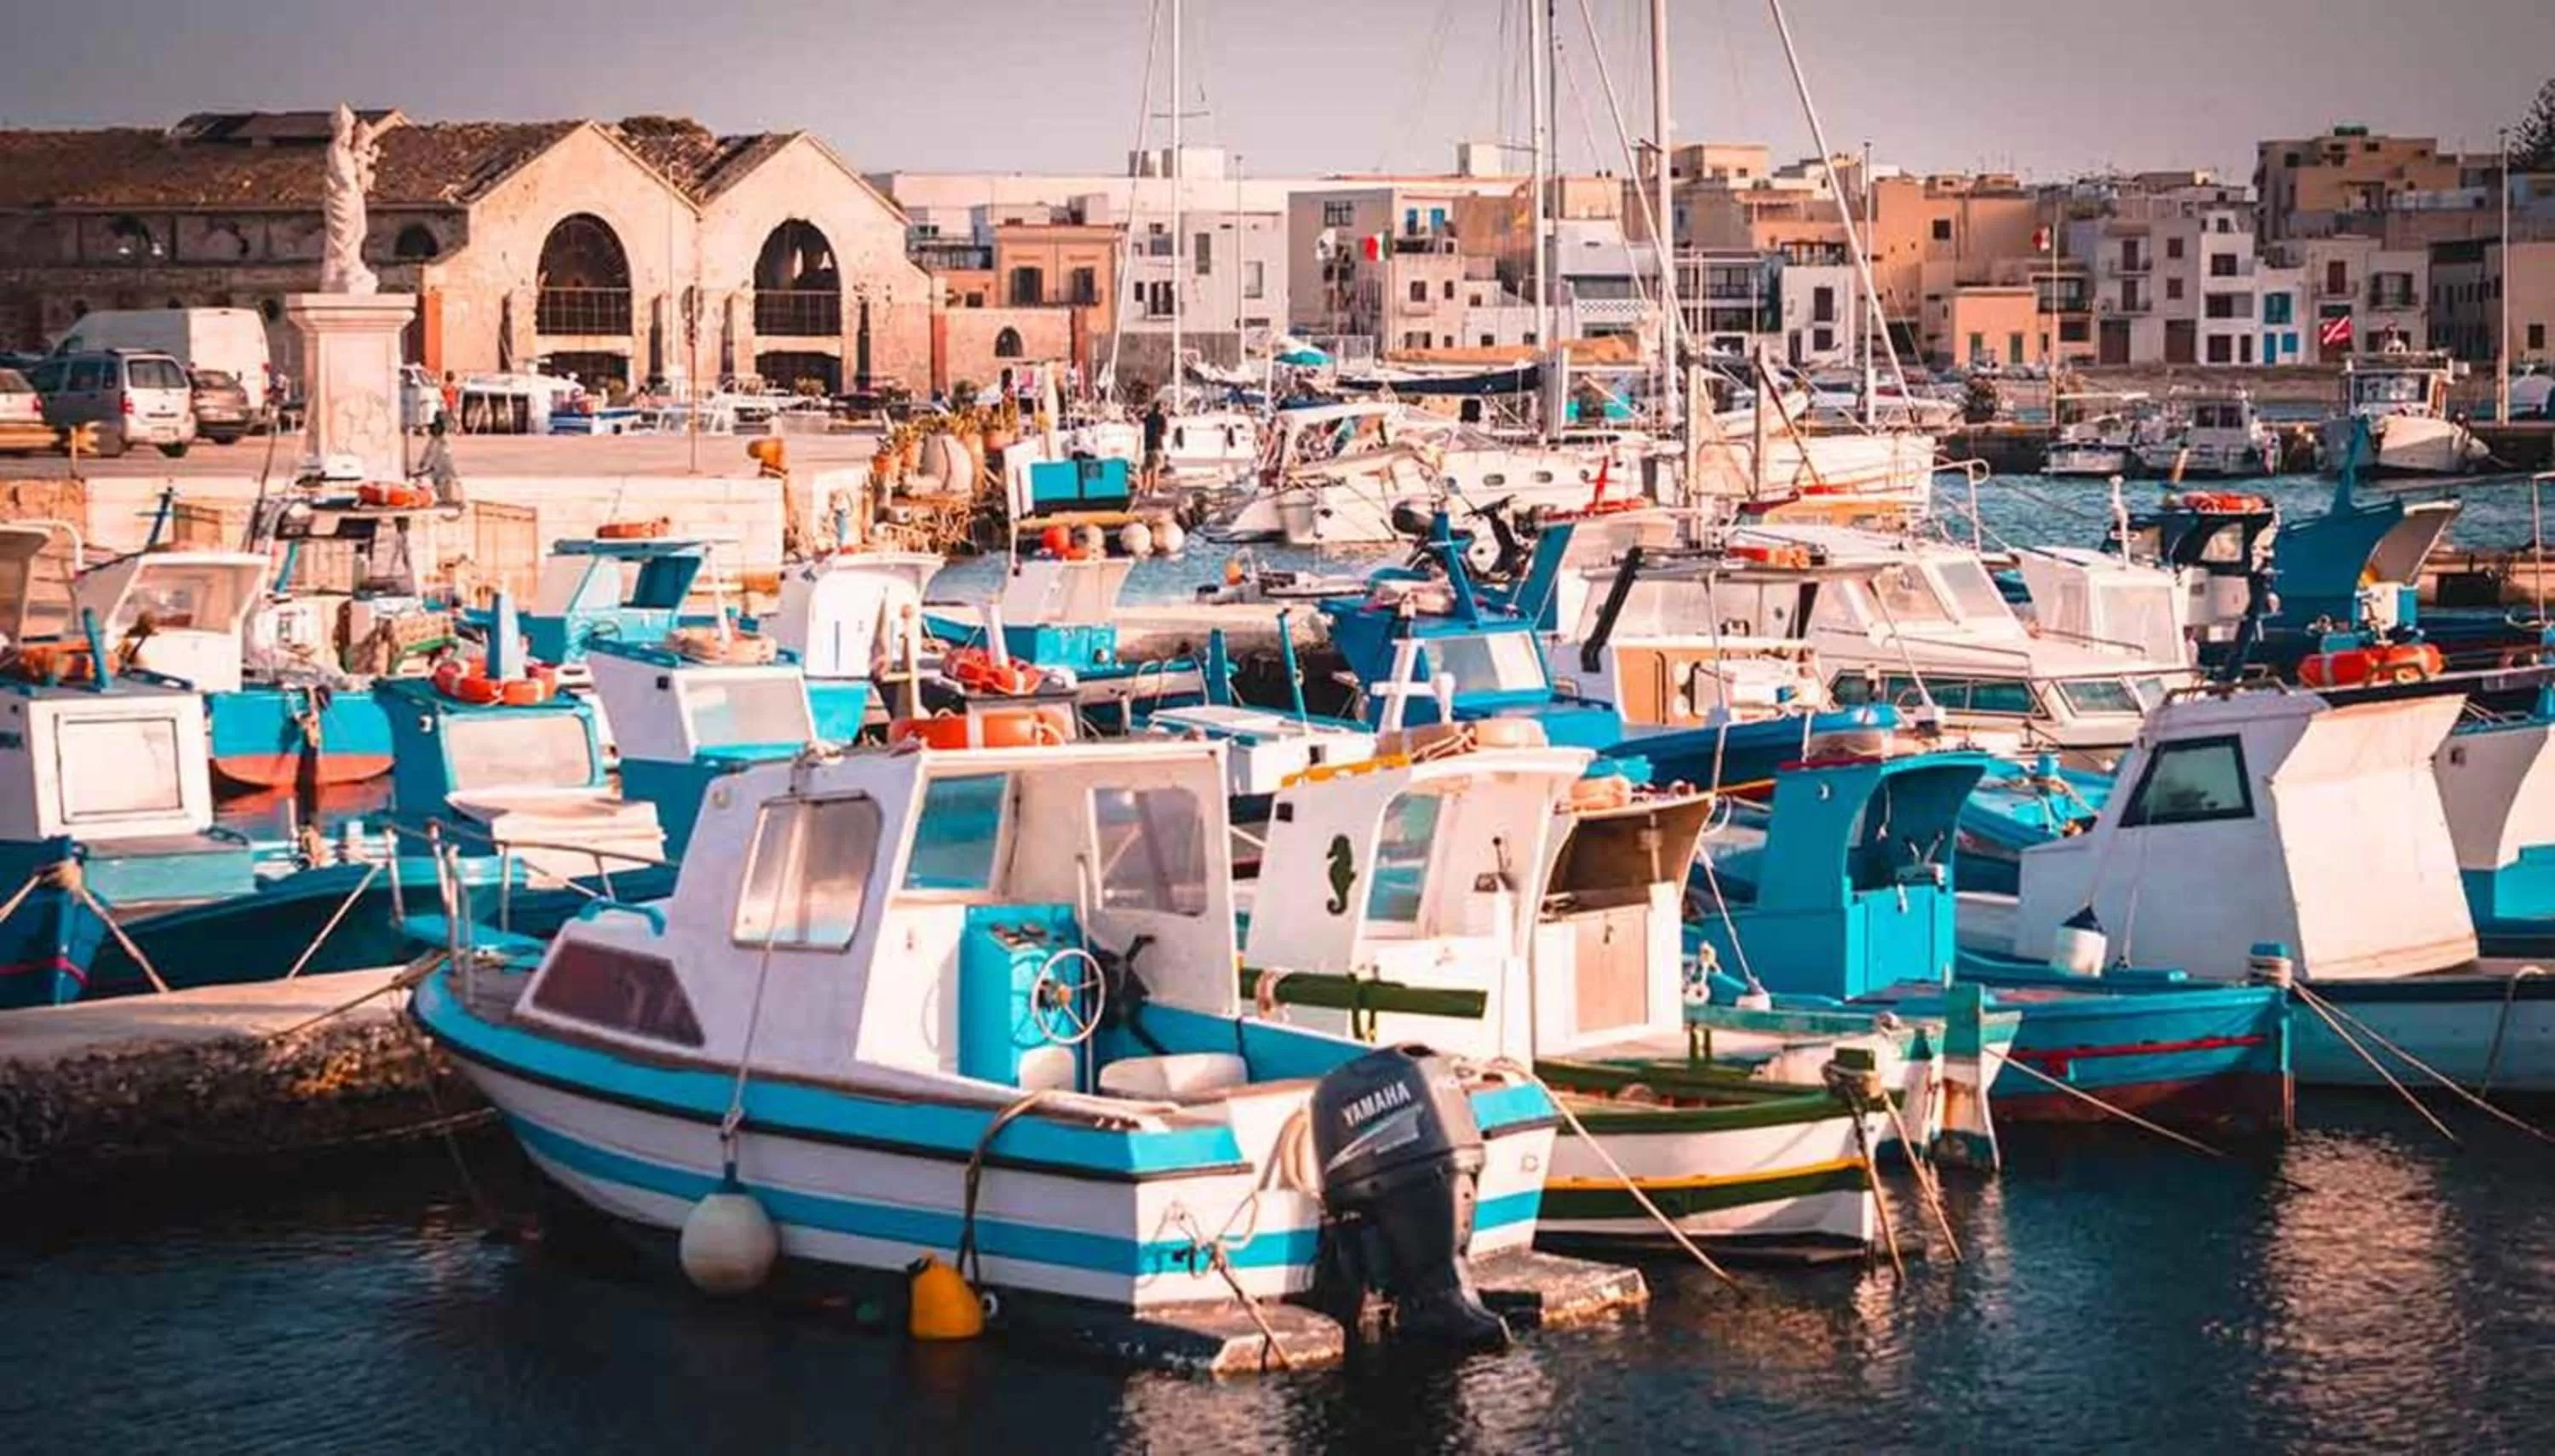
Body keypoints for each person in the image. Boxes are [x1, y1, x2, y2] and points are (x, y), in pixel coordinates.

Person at [414, 415, 462, 507]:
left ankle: (453, 498)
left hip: (443, 468)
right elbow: (428, 451)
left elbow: (444, 456)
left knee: (449, 480)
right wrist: (423, 463)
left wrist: (426, 465)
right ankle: (442, 497)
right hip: (436, 468)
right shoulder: (434, 440)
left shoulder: (444, 441)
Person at [1142, 397, 1168, 482]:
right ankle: (1153, 490)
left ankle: (1144, 491)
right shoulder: (1162, 418)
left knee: (1147, 469)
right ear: (1161, 408)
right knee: (1156, 468)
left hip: (1147, 445)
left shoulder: (1148, 417)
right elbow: (1164, 432)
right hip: (1157, 445)